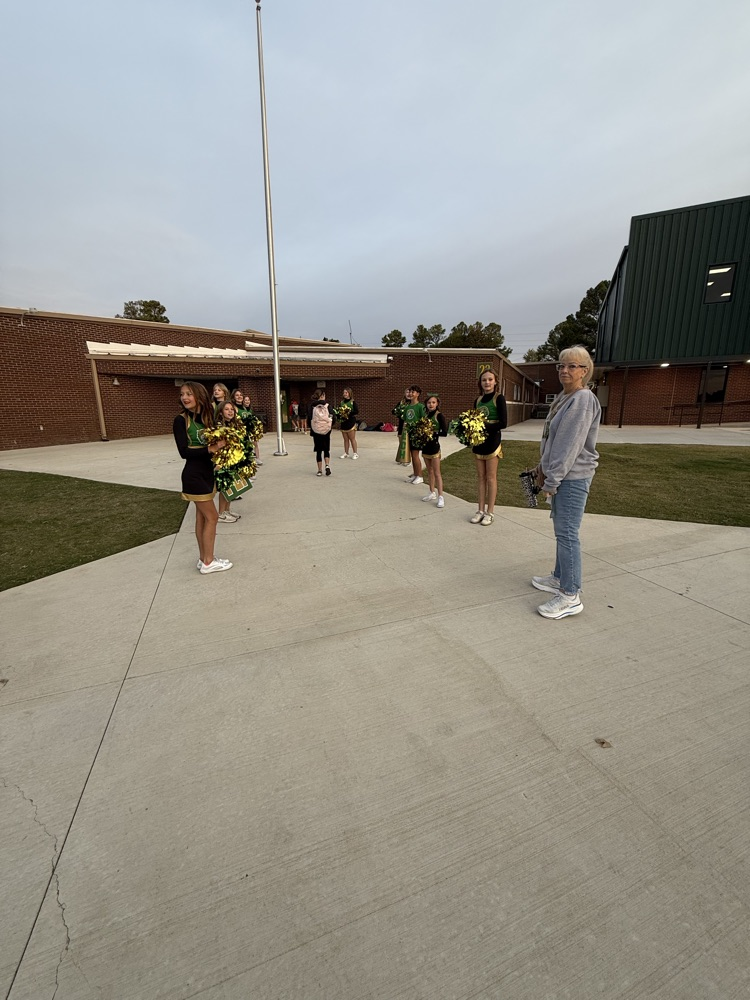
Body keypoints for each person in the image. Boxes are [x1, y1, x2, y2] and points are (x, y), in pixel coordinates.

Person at [532, 345, 601, 619]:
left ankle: (571, 595)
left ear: (584, 371)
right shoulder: (565, 397)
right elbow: (553, 439)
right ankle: (560, 578)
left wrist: (553, 479)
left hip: (572, 478)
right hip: (562, 475)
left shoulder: (582, 399)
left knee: (568, 533)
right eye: (561, 365)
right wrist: (543, 466)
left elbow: (569, 445)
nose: (564, 370)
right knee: (562, 531)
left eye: (572, 366)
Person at [172, 382, 232, 575]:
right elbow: (184, 452)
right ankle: (209, 561)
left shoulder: (206, 418)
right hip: (194, 474)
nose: (185, 397)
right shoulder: (181, 420)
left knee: (202, 517)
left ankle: (202, 558)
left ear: (199, 395)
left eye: (189, 394)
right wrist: (211, 449)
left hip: (208, 473)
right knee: (213, 517)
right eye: (182, 394)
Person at [468, 369, 507, 526]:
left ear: (495, 381)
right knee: (481, 478)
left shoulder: (499, 398)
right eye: (484, 380)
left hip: (492, 442)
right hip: (479, 442)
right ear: (480, 382)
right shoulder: (478, 400)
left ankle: (490, 512)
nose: (487, 382)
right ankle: (480, 510)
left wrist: (483, 426)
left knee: (491, 478)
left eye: (490, 379)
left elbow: (503, 423)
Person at [214, 401, 246, 523]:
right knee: (224, 487)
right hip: (223, 461)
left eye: (232, 409)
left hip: (233, 460)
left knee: (230, 486)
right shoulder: (219, 427)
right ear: (221, 412)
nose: (230, 411)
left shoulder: (233, 425)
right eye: (227, 409)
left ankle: (227, 510)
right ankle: (221, 513)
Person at [420, 394, 448, 507]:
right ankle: (431, 492)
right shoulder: (425, 416)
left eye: (433, 402)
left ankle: (441, 496)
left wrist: (433, 433)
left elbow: (445, 432)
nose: (431, 404)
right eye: (429, 403)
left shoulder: (439, 416)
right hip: (425, 446)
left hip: (435, 447)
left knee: (437, 473)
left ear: (437, 404)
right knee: (429, 471)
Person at [309, 390, 336, 476]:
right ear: (322, 396)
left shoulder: (312, 406)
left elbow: (309, 417)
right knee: (326, 449)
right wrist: (329, 426)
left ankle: (319, 470)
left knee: (318, 451)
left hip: (316, 431)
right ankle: (327, 466)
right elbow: (333, 417)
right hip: (326, 431)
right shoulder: (328, 406)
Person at [404, 386, 427, 485]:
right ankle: (415, 474)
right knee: (412, 455)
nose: (411, 394)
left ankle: (420, 476)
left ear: (418, 394)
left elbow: (424, 420)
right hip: (408, 433)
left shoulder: (420, 407)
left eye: (413, 392)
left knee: (415, 455)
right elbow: (406, 420)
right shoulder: (408, 407)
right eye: (410, 392)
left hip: (416, 434)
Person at [238, 391, 264, 465]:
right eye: (245, 400)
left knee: (255, 443)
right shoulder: (241, 409)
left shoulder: (250, 410)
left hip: (251, 430)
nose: (247, 401)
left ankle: (258, 458)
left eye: (248, 400)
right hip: (244, 430)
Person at [338, 387, 360, 459]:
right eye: (344, 393)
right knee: (345, 439)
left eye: (346, 393)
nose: (344, 394)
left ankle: (355, 453)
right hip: (344, 422)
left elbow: (356, 411)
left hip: (350, 422)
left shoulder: (352, 402)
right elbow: (339, 411)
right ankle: (346, 453)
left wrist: (349, 412)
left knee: (352, 438)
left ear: (349, 393)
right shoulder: (341, 402)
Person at [392, 390, 411, 465]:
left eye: (410, 392)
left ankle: (408, 459)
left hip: (409, 426)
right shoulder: (401, 403)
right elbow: (393, 411)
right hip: (401, 425)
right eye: (407, 392)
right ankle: (401, 458)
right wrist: (397, 411)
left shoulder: (412, 404)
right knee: (401, 442)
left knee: (408, 443)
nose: (408, 394)